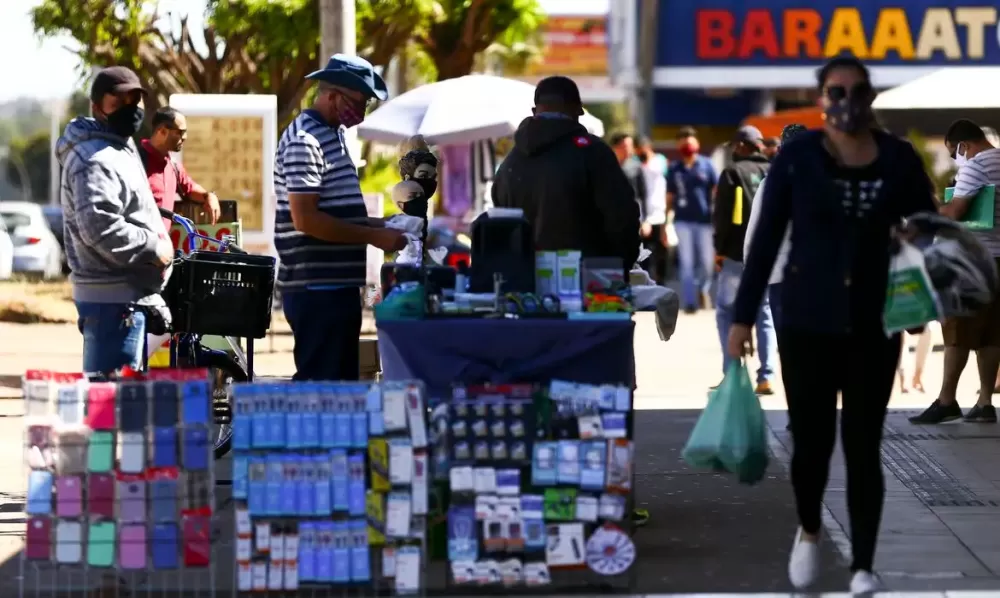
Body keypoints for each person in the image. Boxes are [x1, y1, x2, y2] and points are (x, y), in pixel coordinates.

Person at [727, 56, 936, 593]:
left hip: (873, 319)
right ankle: (811, 527)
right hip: (805, 317)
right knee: (813, 444)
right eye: (835, 91)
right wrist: (742, 316)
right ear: (822, 98)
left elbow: (928, 222)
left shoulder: (898, 158)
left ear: (870, 94)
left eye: (856, 89)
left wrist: (915, 242)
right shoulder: (797, 156)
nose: (846, 100)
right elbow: (767, 237)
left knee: (864, 443)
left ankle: (863, 563)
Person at [274, 54, 407, 381]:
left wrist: (383, 225)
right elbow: (307, 220)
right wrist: (373, 236)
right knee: (322, 388)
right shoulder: (305, 141)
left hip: (337, 289)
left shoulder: (331, 135)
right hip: (317, 291)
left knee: (340, 389)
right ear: (332, 95)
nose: (361, 113)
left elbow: (337, 209)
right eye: (358, 103)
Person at [57, 66, 174, 373]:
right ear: (97, 107)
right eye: (119, 100)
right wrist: (153, 246)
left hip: (126, 298)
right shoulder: (94, 159)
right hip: (112, 301)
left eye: (136, 99)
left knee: (121, 407)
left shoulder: (119, 146)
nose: (131, 107)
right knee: (110, 408)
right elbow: (99, 226)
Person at [492, 76, 639, 270]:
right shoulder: (592, 152)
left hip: (525, 285)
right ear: (578, 110)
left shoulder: (512, 160)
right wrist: (620, 267)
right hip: (587, 282)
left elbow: (501, 219)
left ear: (535, 111)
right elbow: (622, 216)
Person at [910, 119, 1000, 424]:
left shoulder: (975, 166)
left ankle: (947, 400)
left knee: (957, 332)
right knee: (992, 334)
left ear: (964, 145)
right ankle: (985, 402)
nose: (956, 160)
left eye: (953, 154)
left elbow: (954, 212)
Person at [712, 125, 772, 392]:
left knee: (726, 312)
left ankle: (733, 375)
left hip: (736, 253)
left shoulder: (732, 173)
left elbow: (724, 218)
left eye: (735, 146)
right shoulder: (774, 171)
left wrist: (719, 249)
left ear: (742, 147)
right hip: (769, 255)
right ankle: (766, 376)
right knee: (764, 314)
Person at [139, 106, 222, 227]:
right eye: (180, 132)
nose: (185, 137)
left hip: (162, 243)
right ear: (162, 131)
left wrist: (209, 196)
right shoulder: (136, 161)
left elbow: (189, 188)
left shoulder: (173, 165)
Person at [667, 126, 717, 312]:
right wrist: (666, 223)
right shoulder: (675, 168)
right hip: (682, 221)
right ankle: (690, 302)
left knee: (706, 263)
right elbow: (669, 197)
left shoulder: (707, 165)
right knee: (686, 262)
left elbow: (716, 191)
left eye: (690, 141)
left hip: (705, 221)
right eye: (683, 142)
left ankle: (702, 290)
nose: (687, 145)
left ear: (696, 143)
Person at [637, 145, 668, 284]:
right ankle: (647, 282)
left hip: (660, 215)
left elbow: (662, 166)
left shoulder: (659, 161)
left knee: (661, 253)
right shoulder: (636, 166)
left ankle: (660, 282)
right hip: (645, 216)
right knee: (645, 254)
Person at [609, 132, 647, 227]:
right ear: (615, 147)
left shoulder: (636, 166)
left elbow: (643, 194)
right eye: (626, 146)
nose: (629, 149)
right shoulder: (605, 166)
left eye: (631, 146)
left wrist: (645, 220)